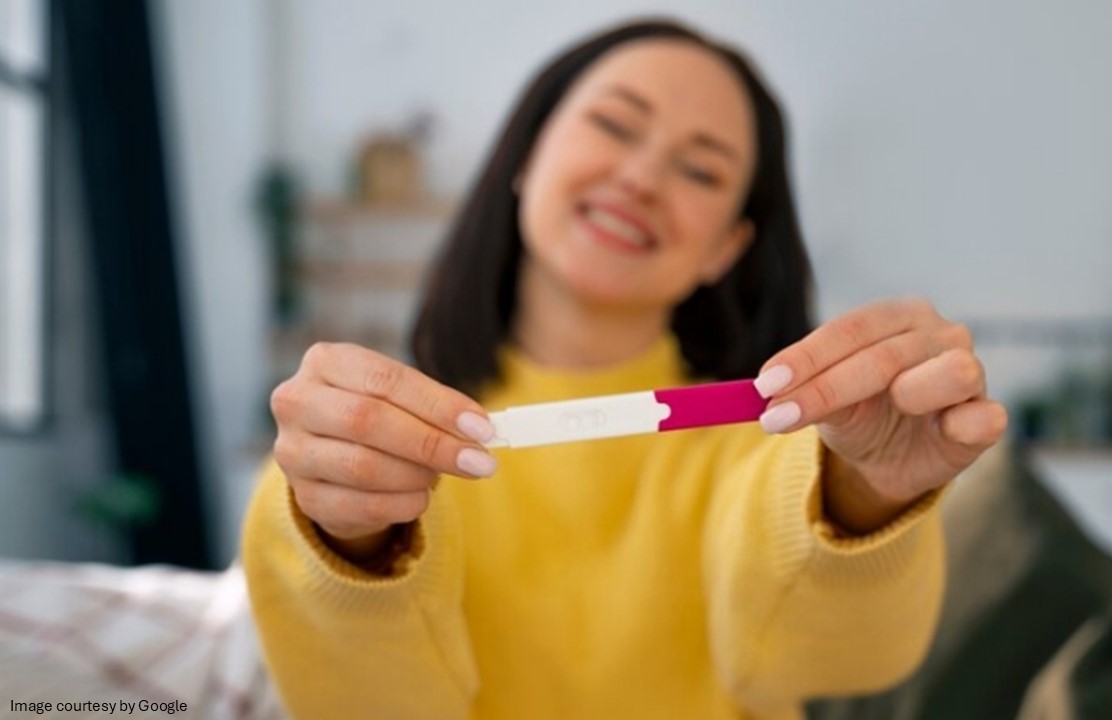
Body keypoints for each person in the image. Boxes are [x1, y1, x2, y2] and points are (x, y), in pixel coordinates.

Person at [242, 18, 1007, 720]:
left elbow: (829, 657)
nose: (641, 178)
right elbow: (358, 701)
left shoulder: (774, 445)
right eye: (614, 125)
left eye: (701, 172)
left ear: (725, 249)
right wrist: (350, 541)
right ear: (526, 155)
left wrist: (866, 493)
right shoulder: (365, 441)